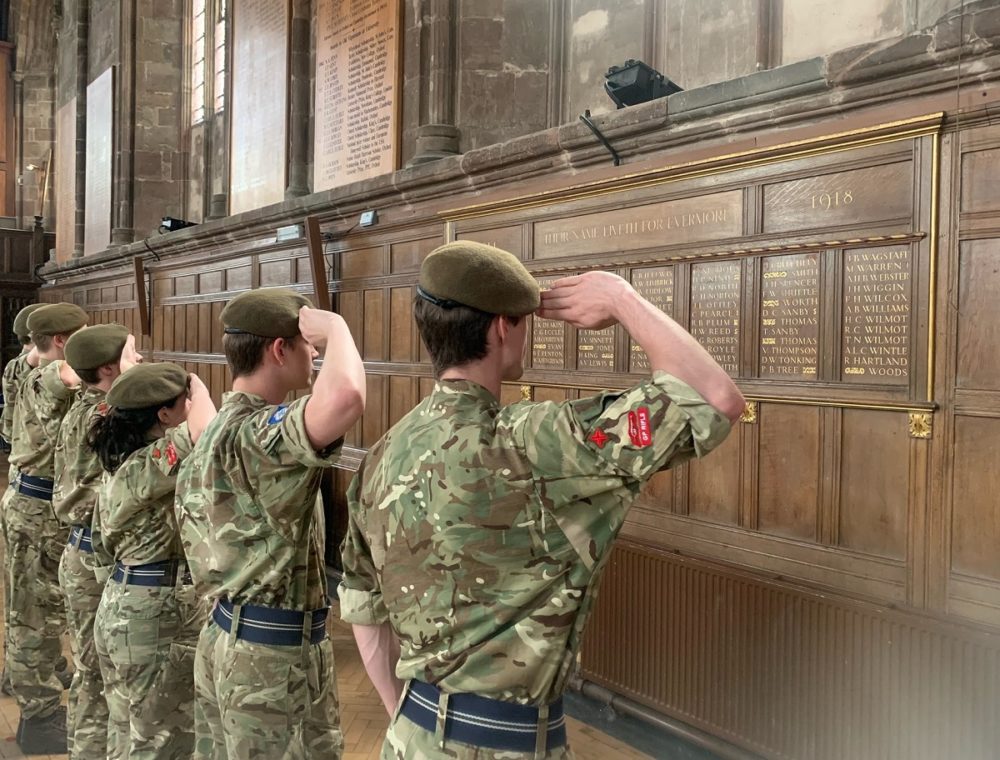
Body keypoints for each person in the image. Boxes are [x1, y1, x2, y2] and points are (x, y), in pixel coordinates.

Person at [339, 242, 746, 759]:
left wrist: (414, 723)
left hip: (408, 738)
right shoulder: (538, 445)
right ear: (501, 328)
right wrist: (621, 298)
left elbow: (363, 609)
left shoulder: (382, 454)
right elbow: (715, 398)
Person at [176, 288, 365, 760]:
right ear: (279, 350)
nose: (315, 354)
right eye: (308, 345)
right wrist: (337, 326)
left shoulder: (221, 427)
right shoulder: (256, 433)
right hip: (270, 660)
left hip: (232, 636)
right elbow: (345, 397)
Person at [90, 362, 217, 759]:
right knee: (161, 740)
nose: (191, 407)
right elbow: (206, 431)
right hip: (153, 613)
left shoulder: (123, 463)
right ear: (164, 415)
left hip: (126, 602)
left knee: (128, 733)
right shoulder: (149, 462)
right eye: (184, 403)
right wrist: (198, 386)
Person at [4, 302, 89, 754]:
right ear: (61, 341)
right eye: (82, 335)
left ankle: (26, 679)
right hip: (37, 509)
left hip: (28, 501)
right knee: (35, 616)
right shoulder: (51, 373)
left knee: (29, 609)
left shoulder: (23, 366)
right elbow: (66, 375)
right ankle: (39, 717)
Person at [53, 324, 139, 759]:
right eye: (132, 354)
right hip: (98, 560)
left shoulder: (83, 407)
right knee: (107, 677)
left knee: (90, 673)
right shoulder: (108, 415)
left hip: (81, 550)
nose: (140, 361)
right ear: (108, 368)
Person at [0, 302, 46, 696]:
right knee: (30, 604)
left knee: (22, 598)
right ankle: (27, 684)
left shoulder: (18, 368)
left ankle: (19, 673)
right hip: (34, 500)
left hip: (22, 488)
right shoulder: (34, 374)